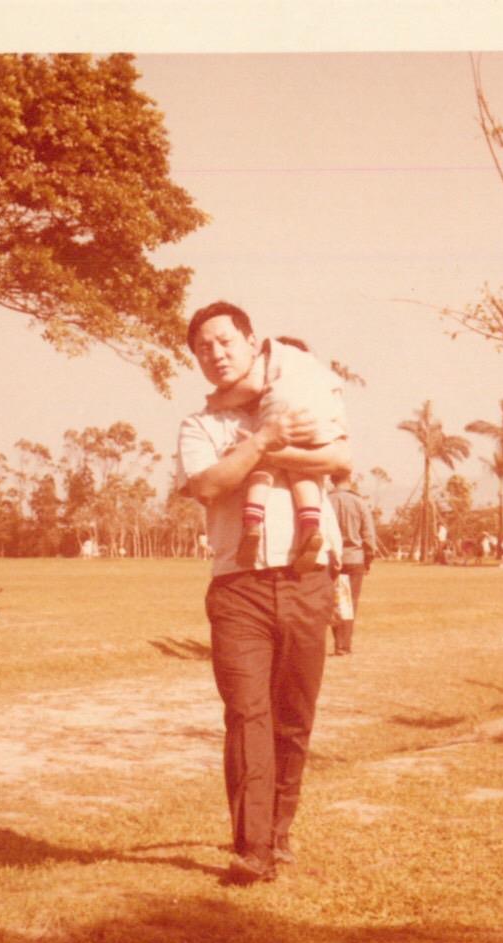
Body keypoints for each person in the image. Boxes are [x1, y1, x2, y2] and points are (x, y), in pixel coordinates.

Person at [177, 300, 350, 885]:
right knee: (247, 713)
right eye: (203, 348)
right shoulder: (200, 425)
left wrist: (273, 444)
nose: (215, 354)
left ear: (252, 342)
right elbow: (206, 484)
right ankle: (253, 848)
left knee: (294, 716)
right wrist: (262, 442)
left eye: (225, 341)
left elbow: (340, 457)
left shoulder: (295, 392)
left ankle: (280, 832)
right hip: (238, 587)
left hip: (308, 580)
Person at [200, 329, 346, 572]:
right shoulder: (319, 372)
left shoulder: (274, 360)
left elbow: (252, 386)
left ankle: (252, 523)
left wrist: (218, 401)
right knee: (305, 472)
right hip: (313, 420)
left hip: (283, 413)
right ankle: (311, 526)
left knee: (262, 464)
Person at [328, 470, 379, 656]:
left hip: (332, 558)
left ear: (331, 479)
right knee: (350, 603)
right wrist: (368, 558)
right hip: (355, 558)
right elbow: (368, 534)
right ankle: (343, 645)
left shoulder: (326, 501)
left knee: (335, 600)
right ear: (349, 480)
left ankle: (338, 642)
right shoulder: (359, 502)